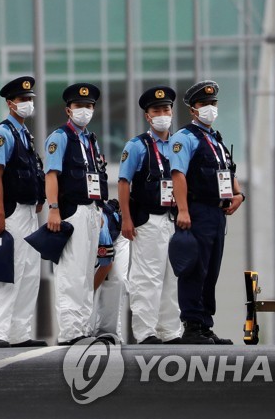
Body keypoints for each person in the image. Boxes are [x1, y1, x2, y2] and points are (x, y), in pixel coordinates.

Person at [169, 80, 246, 345]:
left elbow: (228, 172)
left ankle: (204, 323)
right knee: (194, 267)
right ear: (193, 109)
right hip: (196, 210)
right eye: (204, 105)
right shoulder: (184, 138)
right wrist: (183, 210)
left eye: (213, 104)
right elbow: (178, 175)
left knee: (211, 270)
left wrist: (239, 195)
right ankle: (191, 324)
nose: (210, 109)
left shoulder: (215, 139)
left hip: (216, 213)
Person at [0, 76, 46, 349]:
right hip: (11, 211)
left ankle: (19, 332)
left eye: (30, 99)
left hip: (29, 210)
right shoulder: (3, 133)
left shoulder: (24, 134)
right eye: (22, 100)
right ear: (10, 104)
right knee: (7, 270)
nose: (27, 104)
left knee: (29, 271)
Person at [43, 83, 108, 346]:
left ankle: (83, 326)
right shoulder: (60, 137)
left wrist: (100, 209)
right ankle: (70, 330)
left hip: (91, 210)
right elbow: (51, 175)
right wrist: (54, 209)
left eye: (89, 106)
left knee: (85, 271)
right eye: (80, 106)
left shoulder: (89, 139)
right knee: (72, 272)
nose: (85, 110)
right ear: (68, 109)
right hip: (70, 212)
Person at [118, 85, 184, 344]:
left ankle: (170, 331)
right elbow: (123, 183)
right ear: (148, 115)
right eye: (156, 110)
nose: (162, 114)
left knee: (171, 277)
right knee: (147, 277)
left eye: (166, 109)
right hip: (147, 220)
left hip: (172, 219)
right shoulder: (137, 146)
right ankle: (145, 331)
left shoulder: (177, 144)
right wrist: (126, 218)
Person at [91, 198, 128, 341]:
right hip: (104, 231)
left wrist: (89, 291)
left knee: (118, 281)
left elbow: (107, 265)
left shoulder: (102, 231)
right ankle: (88, 329)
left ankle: (109, 332)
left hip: (117, 237)